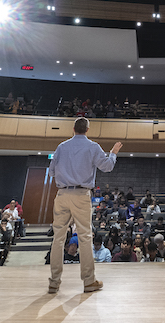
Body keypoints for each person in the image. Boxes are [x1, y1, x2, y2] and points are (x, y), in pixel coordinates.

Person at [47, 117, 122, 294]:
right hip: (81, 194)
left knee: (58, 238)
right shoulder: (93, 147)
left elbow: (51, 172)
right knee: (85, 236)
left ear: (73, 129)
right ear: (87, 130)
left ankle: (54, 282)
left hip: (62, 193)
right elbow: (107, 166)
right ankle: (89, 281)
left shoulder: (61, 147)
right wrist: (113, 153)